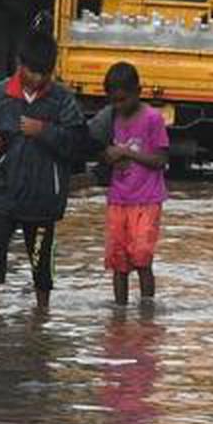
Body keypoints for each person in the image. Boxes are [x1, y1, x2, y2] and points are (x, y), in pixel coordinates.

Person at [0, 29, 88, 312]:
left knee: (41, 258)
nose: (38, 79)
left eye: (45, 73)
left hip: (43, 199)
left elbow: (79, 144)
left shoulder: (62, 101)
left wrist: (44, 131)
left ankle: (42, 312)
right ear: (20, 64)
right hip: (3, 192)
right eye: (33, 72)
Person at [87, 62, 169, 306]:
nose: (119, 106)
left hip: (147, 200)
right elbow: (97, 151)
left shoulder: (153, 119)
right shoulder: (109, 119)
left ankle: (146, 311)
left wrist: (128, 154)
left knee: (142, 257)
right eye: (114, 101)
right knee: (118, 262)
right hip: (118, 200)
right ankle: (119, 314)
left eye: (123, 100)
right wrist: (108, 156)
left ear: (138, 92)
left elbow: (161, 160)